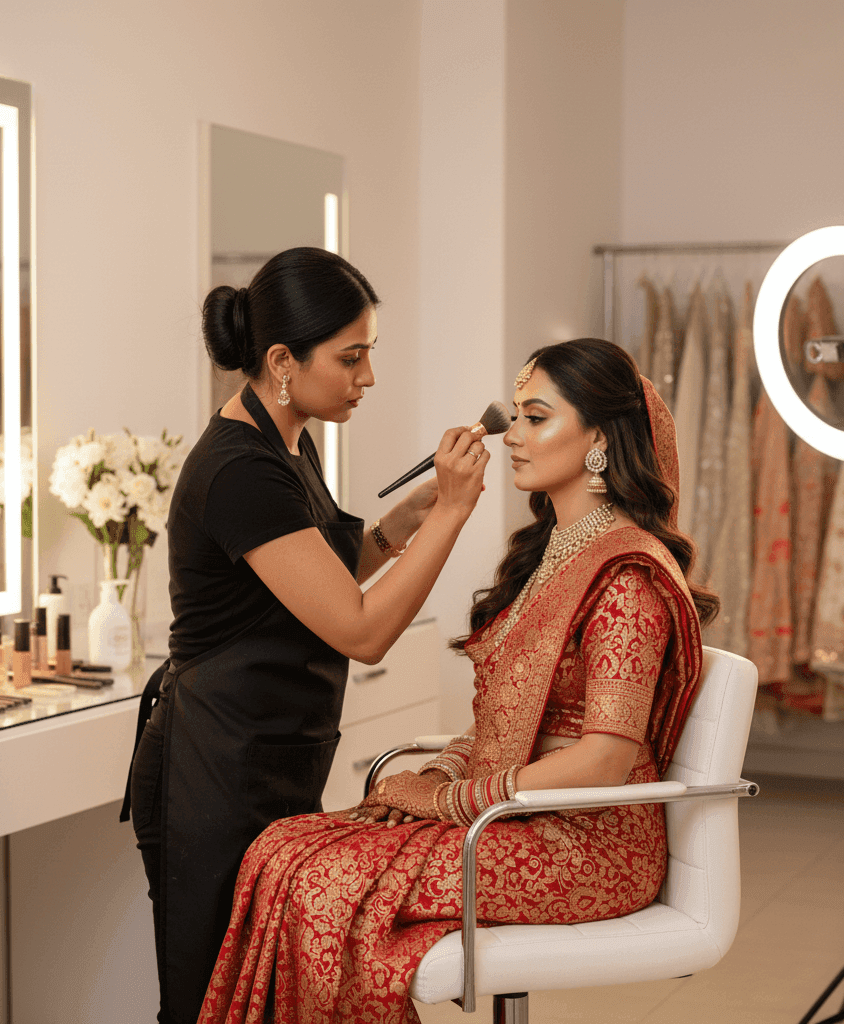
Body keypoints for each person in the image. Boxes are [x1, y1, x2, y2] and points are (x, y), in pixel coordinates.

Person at [196, 338, 720, 1024]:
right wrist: (436, 774)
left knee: (326, 881)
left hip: (589, 843)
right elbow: (507, 718)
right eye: (518, 416)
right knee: (278, 849)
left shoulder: (626, 578)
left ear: (599, 438)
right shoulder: (554, 556)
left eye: (537, 418)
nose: (513, 436)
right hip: (518, 816)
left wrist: (449, 802)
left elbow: (605, 760)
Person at [125, 247, 490, 1024]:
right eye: (350, 358)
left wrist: (402, 523)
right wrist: (454, 515)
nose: (368, 377)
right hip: (213, 770)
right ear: (283, 361)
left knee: (268, 995)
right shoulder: (240, 469)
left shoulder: (289, 443)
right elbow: (360, 630)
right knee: (212, 999)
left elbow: (316, 573)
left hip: (266, 752)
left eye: (369, 354)